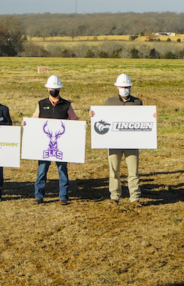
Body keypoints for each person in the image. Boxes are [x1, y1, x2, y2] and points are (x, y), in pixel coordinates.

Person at [90, 73, 152, 207]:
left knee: (133, 171)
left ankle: (134, 198)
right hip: (114, 142)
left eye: (127, 87)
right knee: (113, 171)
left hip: (132, 143)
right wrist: (94, 115)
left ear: (130, 87)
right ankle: (114, 196)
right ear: (117, 87)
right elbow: (103, 119)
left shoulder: (137, 102)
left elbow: (143, 120)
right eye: (122, 87)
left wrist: (152, 117)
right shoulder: (109, 102)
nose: (124, 89)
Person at [27, 75, 78, 205]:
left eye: (55, 88)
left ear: (59, 89)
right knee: (42, 170)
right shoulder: (41, 104)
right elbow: (35, 118)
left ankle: (63, 196)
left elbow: (74, 120)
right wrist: (27, 123)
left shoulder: (66, 105)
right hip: (45, 145)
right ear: (47, 89)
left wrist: (80, 126)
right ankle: (39, 196)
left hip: (62, 145)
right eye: (51, 88)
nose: (53, 90)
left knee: (62, 170)